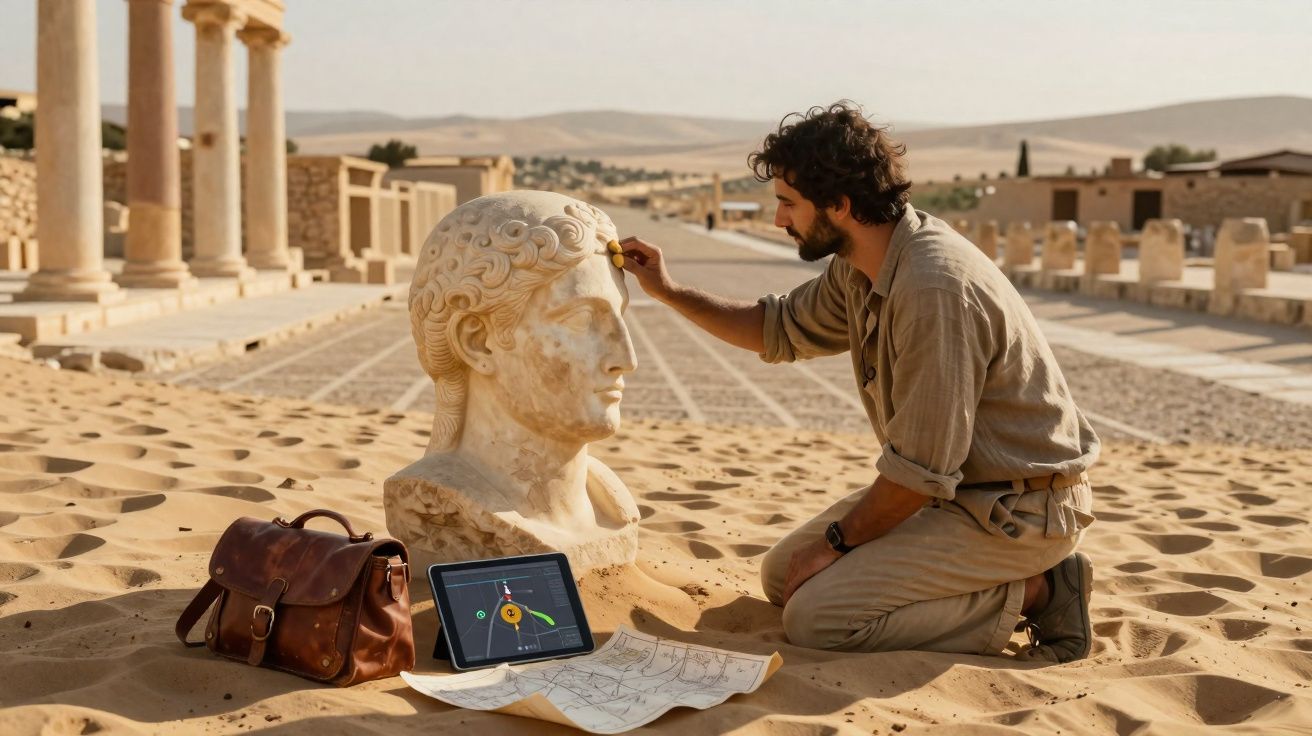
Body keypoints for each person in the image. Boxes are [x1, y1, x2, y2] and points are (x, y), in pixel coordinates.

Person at [619, 102, 1100, 663]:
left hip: (1019, 514)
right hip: (956, 495)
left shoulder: (932, 288)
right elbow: (776, 328)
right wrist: (669, 290)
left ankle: (1043, 591)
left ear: (840, 206)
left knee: (819, 618)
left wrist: (837, 543)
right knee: (782, 577)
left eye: (787, 204)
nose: (779, 221)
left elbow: (921, 469)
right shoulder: (863, 262)